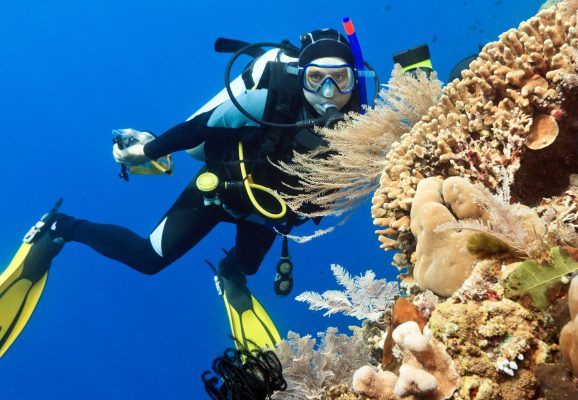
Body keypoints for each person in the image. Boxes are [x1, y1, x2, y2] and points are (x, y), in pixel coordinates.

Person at [0, 28, 363, 357]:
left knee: (246, 266)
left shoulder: (364, 133)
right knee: (148, 259)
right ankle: (62, 228)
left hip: (267, 217)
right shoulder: (268, 105)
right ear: (301, 78)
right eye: (316, 79)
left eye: (340, 80)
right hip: (218, 193)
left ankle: (228, 273)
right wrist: (147, 151)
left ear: (354, 83)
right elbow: (197, 129)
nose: (327, 94)